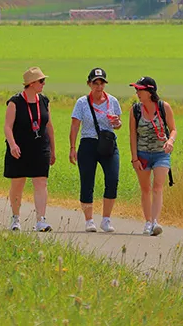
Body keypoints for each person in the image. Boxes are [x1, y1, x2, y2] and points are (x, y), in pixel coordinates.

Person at [69, 67, 122, 233]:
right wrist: (72, 147)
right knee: (87, 181)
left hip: (107, 143)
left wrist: (117, 123)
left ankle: (106, 219)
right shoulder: (82, 103)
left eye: (102, 83)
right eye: (95, 83)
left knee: (112, 179)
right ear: (89, 84)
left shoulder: (112, 101)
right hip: (88, 143)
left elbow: (118, 124)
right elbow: (75, 126)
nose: (99, 86)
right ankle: (89, 220)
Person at [4, 66, 56, 232]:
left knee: (41, 182)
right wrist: (12, 144)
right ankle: (15, 218)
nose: (43, 84)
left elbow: (49, 125)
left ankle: (41, 219)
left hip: (40, 147)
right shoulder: (15, 102)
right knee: (18, 183)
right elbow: (7, 126)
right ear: (32, 83)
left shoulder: (44, 101)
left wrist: (53, 150)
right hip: (20, 147)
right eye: (41, 81)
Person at [129, 76, 177, 236]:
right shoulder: (135, 110)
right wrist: (134, 158)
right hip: (142, 154)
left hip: (161, 155)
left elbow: (174, 129)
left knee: (157, 187)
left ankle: (155, 222)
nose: (137, 92)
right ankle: (148, 221)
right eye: (136, 89)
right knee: (145, 189)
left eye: (139, 90)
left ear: (150, 91)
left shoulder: (164, 107)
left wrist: (170, 141)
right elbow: (132, 136)